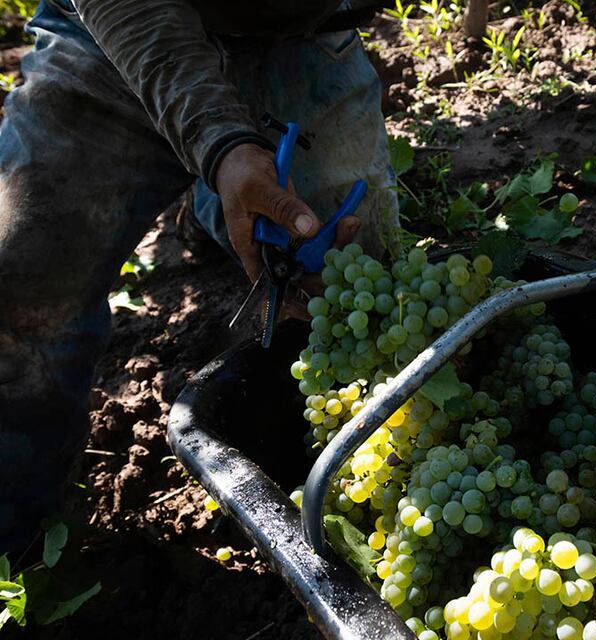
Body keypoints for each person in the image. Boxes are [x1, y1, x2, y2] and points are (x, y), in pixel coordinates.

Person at [0, 0, 399, 552]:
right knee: (18, 288)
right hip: (115, 29)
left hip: (294, 40)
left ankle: (214, 203)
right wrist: (220, 141)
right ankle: (14, 542)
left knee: (356, 293)